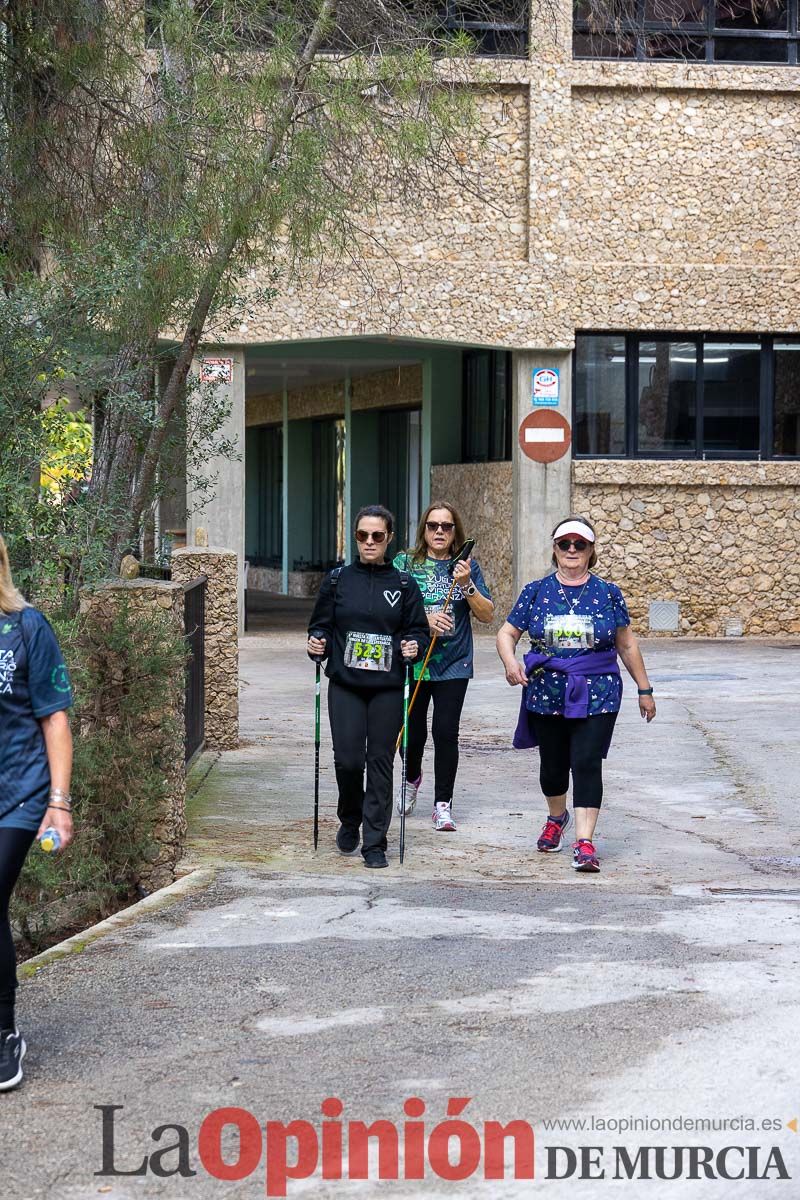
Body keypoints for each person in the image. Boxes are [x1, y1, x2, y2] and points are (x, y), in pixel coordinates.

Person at [495, 515, 655, 873]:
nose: (571, 550)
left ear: (590, 551)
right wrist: (510, 663)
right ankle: (556, 817)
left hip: (597, 692)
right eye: (564, 544)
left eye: (579, 544)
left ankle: (585, 842)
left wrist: (644, 689)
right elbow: (507, 634)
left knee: (585, 762)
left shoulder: (608, 593)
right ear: (554, 549)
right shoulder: (535, 591)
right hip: (546, 692)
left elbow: (626, 644)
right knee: (553, 768)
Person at [307, 505, 429, 868]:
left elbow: (418, 631)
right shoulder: (336, 581)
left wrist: (414, 645)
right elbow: (320, 627)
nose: (370, 542)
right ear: (355, 537)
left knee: (380, 763)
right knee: (347, 761)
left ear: (389, 538)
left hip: (387, 688)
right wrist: (316, 642)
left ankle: (375, 841)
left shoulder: (404, 585)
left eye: (377, 535)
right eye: (363, 535)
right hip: (345, 684)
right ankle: (350, 816)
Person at [0, 534, 74, 1090]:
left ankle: (4, 1036)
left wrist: (58, 802)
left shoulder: (27, 628)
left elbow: (54, 720)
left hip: (19, 796)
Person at [393, 501, 494, 831]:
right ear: (424, 529)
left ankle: (442, 804)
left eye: (446, 527)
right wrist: (424, 620)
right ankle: (411, 777)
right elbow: (389, 610)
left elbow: (487, 614)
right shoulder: (405, 564)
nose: (439, 531)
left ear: (455, 533)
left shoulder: (466, 567)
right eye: (433, 526)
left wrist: (467, 584)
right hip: (414, 660)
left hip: (454, 662)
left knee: (445, 732)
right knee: (412, 730)